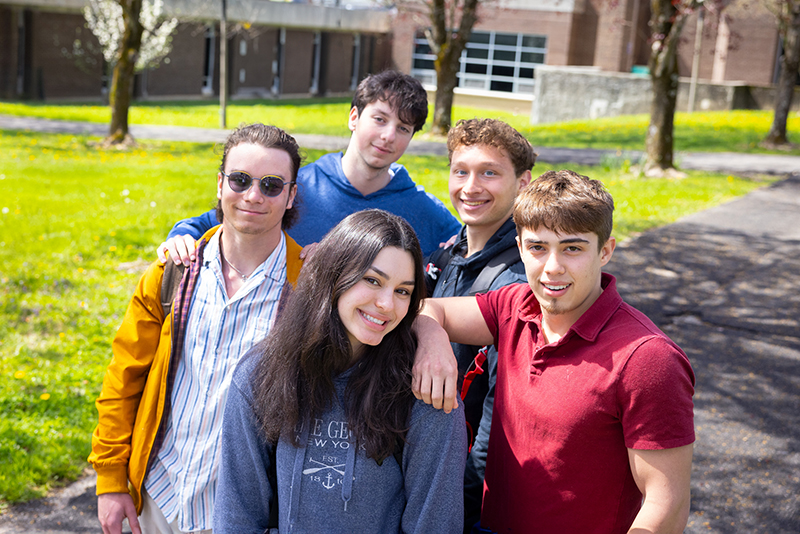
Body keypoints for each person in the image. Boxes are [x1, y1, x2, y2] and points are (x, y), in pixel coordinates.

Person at [418, 170, 696, 534]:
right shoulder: (513, 305)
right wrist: (432, 341)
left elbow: (667, 504)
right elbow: (429, 310)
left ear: (606, 251)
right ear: (520, 248)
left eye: (573, 248)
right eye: (537, 247)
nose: (552, 267)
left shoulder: (647, 359)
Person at [88, 123, 306, 534]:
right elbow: (124, 377)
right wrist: (111, 480)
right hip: (156, 497)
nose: (253, 195)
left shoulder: (307, 290)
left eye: (272, 185)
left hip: (242, 512)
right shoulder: (172, 272)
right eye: (240, 180)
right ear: (220, 183)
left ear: (292, 194)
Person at [213, 209, 467, 533]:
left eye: (403, 290)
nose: (387, 304)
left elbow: (435, 525)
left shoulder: (425, 393)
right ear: (334, 275)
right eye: (372, 280)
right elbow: (236, 518)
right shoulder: (260, 373)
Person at [158, 70, 460, 263]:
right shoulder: (289, 187)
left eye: (403, 128)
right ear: (354, 117)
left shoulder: (425, 212)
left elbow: (472, 251)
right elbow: (219, 220)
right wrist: (181, 236)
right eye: (379, 119)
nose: (388, 136)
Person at [423, 118, 535, 531]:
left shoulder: (520, 279)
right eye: (461, 171)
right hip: (435, 467)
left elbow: (501, 417)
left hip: (469, 495)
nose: (471, 187)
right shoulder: (450, 252)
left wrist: (462, 507)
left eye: (489, 172)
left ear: (523, 183)